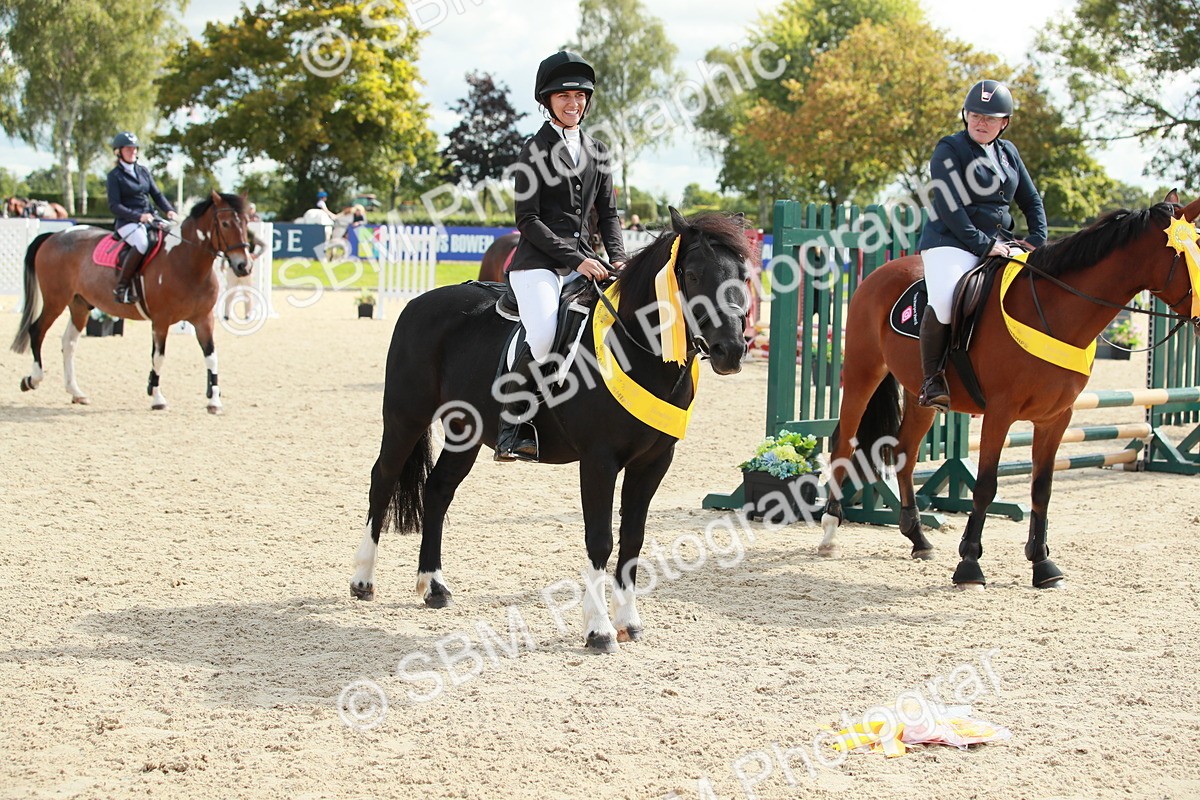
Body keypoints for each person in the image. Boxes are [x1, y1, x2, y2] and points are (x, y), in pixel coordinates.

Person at [495, 50, 627, 462]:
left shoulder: (599, 150)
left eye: (580, 96)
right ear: (548, 101)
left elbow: (608, 214)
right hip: (538, 264)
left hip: (589, 259)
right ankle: (512, 425)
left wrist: (619, 258)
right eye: (564, 96)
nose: (574, 103)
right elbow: (528, 219)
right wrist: (576, 260)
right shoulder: (533, 150)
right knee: (544, 335)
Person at [915, 79, 1047, 411]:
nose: (980, 122)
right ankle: (932, 381)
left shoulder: (1008, 152)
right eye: (974, 115)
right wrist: (983, 245)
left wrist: (1038, 240)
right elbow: (948, 204)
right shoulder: (950, 147)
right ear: (966, 116)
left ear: (1004, 122)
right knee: (945, 300)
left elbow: (1031, 200)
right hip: (951, 240)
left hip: (1001, 241)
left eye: (989, 118)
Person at [106, 131, 177, 304]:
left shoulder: (143, 171)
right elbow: (114, 206)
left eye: (135, 148)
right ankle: (121, 287)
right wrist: (138, 216)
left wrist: (169, 210)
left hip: (150, 218)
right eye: (129, 149)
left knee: (173, 236)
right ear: (119, 151)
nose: (133, 152)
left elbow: (157, 194)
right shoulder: (114, 176)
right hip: (127, 222)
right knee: (142, 243)